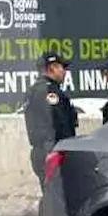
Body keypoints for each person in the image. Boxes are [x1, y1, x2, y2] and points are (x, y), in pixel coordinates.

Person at [23, 50, 77, 187]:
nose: (64, 72)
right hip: (53, 152)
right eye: (61, 67)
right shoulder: (50, 92)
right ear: (51, 68)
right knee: (58, 198)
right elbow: (61, 126)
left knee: (50, 195)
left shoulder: (32, 91)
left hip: (40, 152)